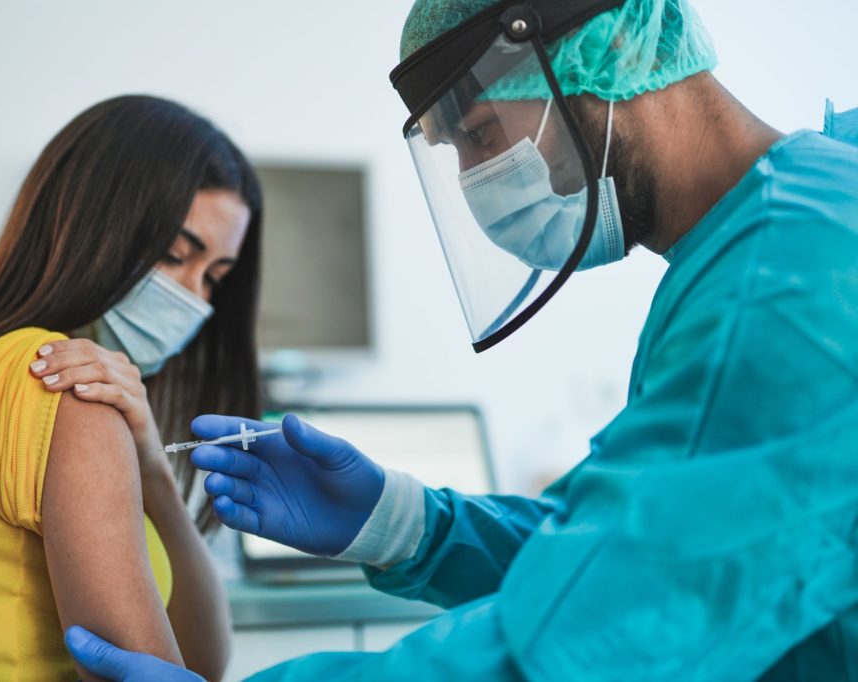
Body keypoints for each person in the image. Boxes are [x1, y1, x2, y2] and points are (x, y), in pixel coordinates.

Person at [68, 0, 858, 679]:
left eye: (481, 134)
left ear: (610, 48)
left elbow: (581, 646)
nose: (481, 185)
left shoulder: (779, 291)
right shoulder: (788, 220)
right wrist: (400, 518)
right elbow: (611, 557)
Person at [0, 95, 263, 681]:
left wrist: (153, 463)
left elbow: (199, 662)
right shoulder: (62, 384)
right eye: (174, 255)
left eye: (213, 278)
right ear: (92, 225)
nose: (194, 298)